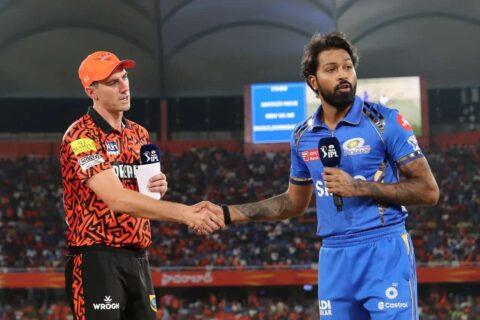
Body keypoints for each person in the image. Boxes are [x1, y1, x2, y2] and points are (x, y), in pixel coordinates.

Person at [197, 32, 439, 319]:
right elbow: (292, 203)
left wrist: (359, 188)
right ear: (313, 81)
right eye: (331, 69)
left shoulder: (385, 122)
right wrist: (227, 214)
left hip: (383, 249)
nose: (343, 75)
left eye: (348, 66)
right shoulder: (303, 136)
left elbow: (428, 191)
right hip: (334, 256)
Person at [60, 51, 223, 320]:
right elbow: (116, 198)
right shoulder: (80, 135)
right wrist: (184, 213)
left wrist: (158, 187)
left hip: (139, 257)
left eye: (124, 77)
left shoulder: (139, 134)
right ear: (93, 91)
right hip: (97, 258)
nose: (125, 87)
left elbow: (141, 195)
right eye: (113, 83)